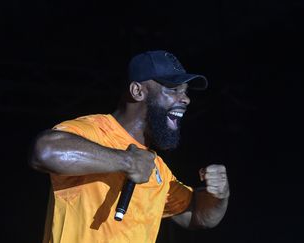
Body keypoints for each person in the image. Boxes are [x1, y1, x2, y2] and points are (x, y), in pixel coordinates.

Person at [29, 50, 230, 243]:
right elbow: (45, 151)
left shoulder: (156, 169)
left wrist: (219, 195)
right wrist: (126, 161)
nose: (185, 99)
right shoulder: (95, 131)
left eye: (185, 92)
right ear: (137, 91)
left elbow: (197, 215)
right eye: (172, 89)